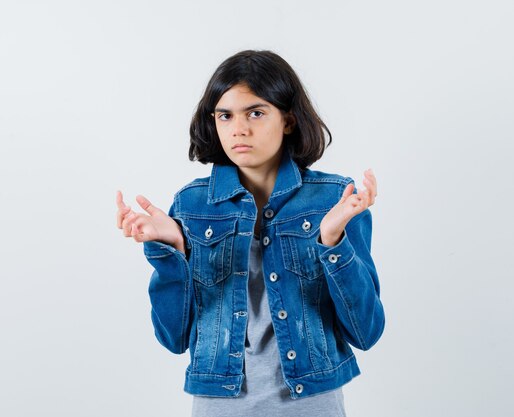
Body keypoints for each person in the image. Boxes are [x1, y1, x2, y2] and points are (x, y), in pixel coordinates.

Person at [115, 50, 384, 417]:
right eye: (225, 115)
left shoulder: (336, 200)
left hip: (312, 404)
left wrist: (332, 241)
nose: (238, 129)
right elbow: (173, 338)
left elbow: (365, 331)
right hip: (219, 405)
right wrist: (170, 252)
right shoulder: (191, 205)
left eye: (255, 113)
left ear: (288, 120)